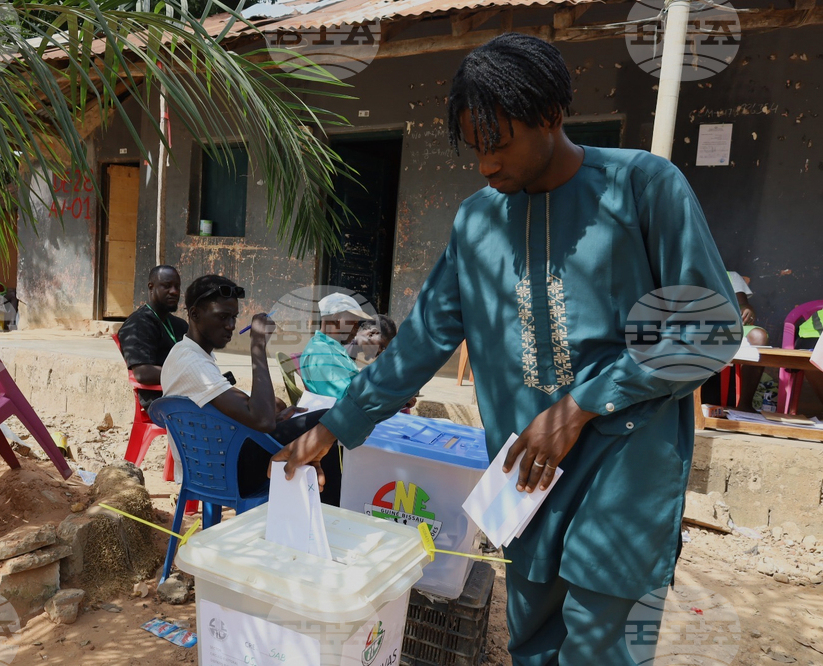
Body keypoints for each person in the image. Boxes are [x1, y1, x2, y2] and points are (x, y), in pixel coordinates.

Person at [273, 33, 738, 665]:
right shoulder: (478, 221)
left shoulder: (642, 187)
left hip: (625, 473)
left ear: (550, 114)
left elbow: (708, 328)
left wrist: (580, 406)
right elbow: (421, 341)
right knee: (532, 647)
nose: (486, 165)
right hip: (524, 479)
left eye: (499, 143)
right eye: (476, 147)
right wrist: (334, 427)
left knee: (601, 652)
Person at [159, 275, 329, 500]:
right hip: (226, 472)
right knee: (328, 421)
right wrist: (258, 344)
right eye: (222, 317)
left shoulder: (186, 353)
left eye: (234, 317)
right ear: (194, 314)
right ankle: (330, 509)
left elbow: (239, 416)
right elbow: (263, 421)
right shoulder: (193, 364)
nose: (231, 325)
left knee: (302, 425)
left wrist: (277, 419)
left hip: (211, 464)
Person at [116, 265, 188, 410]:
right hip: (161, 401)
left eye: (177, 286)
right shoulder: (138, 324)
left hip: (187, 393)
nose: (174, 291)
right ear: (151, 287)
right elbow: (143, 373)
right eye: (167, 286)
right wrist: (188, 376)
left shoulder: (180, 325)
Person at [299, 292, 372, 398]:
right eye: (353, 322)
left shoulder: (331, 347)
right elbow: (346, 398)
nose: (357, 328)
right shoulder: (322, 353)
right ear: (336, 318)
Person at [728, 271, 769, 411]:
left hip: (726, 329)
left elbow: (744, 305)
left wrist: (748, 311)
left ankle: (744, 404)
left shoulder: (731, 276)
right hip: (696, 327)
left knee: (758, 336)